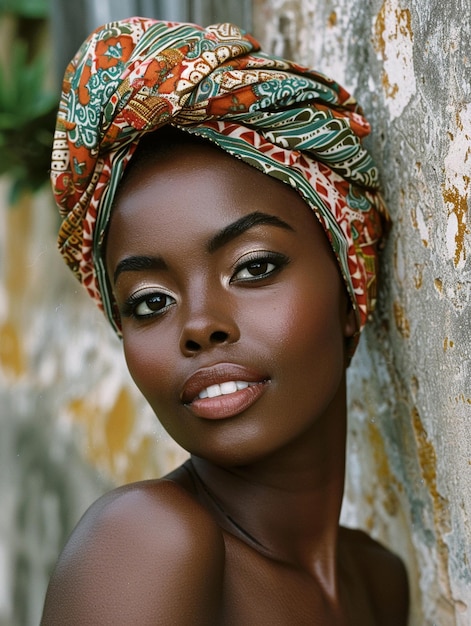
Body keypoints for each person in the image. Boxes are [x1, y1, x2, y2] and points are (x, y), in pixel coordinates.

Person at [41, 18, 409, 625]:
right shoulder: (147, 545)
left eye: (254, 267)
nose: (200, 325)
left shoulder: (380, 583)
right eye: (150, 302)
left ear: (348, 291)